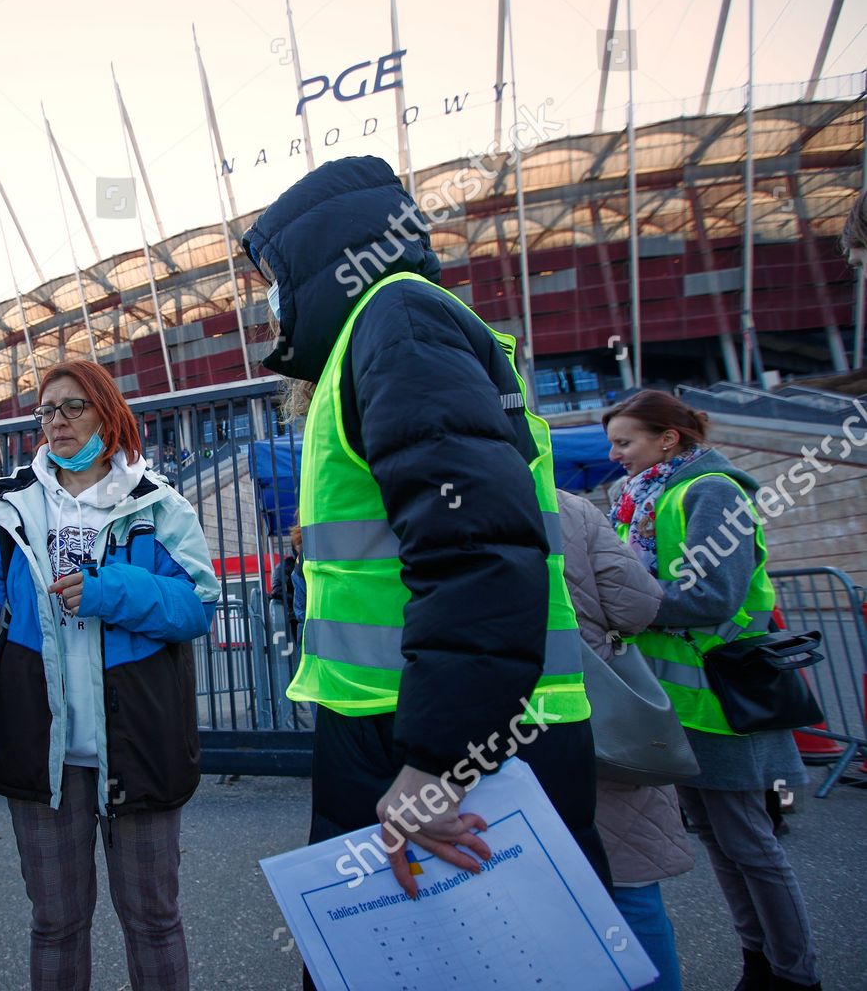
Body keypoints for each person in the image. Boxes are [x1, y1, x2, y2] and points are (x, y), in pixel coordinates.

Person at [241, 156, 605, 989]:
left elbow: (475, 546)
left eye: (275, 278)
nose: (268, 301)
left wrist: (441, 760)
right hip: (439, 724)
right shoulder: (391, 331)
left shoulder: (396, 320)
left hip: (440, 737)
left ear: (323, 260)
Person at [0, 359, 221, 991]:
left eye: (73, 407)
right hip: (39, 752)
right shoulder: (4, 507)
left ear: (108, 413)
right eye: (47, 410)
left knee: (154, 921)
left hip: (139, 750)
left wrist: (109, 591)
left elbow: (196, 606)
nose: (57, 421)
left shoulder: (158, 504)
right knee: (55, 924)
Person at [604, 390, 821, 991]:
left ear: (667, 439)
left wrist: (622, 607)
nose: (616, 455)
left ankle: (794, 975)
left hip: (723, 700)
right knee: (727, 846)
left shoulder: (712, 491)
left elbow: (713, 598)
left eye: (625, 442)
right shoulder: (646, 496)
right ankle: (763, 965)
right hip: (687, 704)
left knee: (750, 846)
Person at [556, 489, 693, 991]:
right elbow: (637, 606)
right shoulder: (568, 506)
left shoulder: (433, 497)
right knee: (630, 887)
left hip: (495, 721)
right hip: (595, 708)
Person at [268, 524, 303, 641]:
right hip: (295, 616)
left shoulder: (309, 564)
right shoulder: (285, 566)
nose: (301, 547)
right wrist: (298, 598)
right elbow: (276, 591)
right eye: (298, 544)